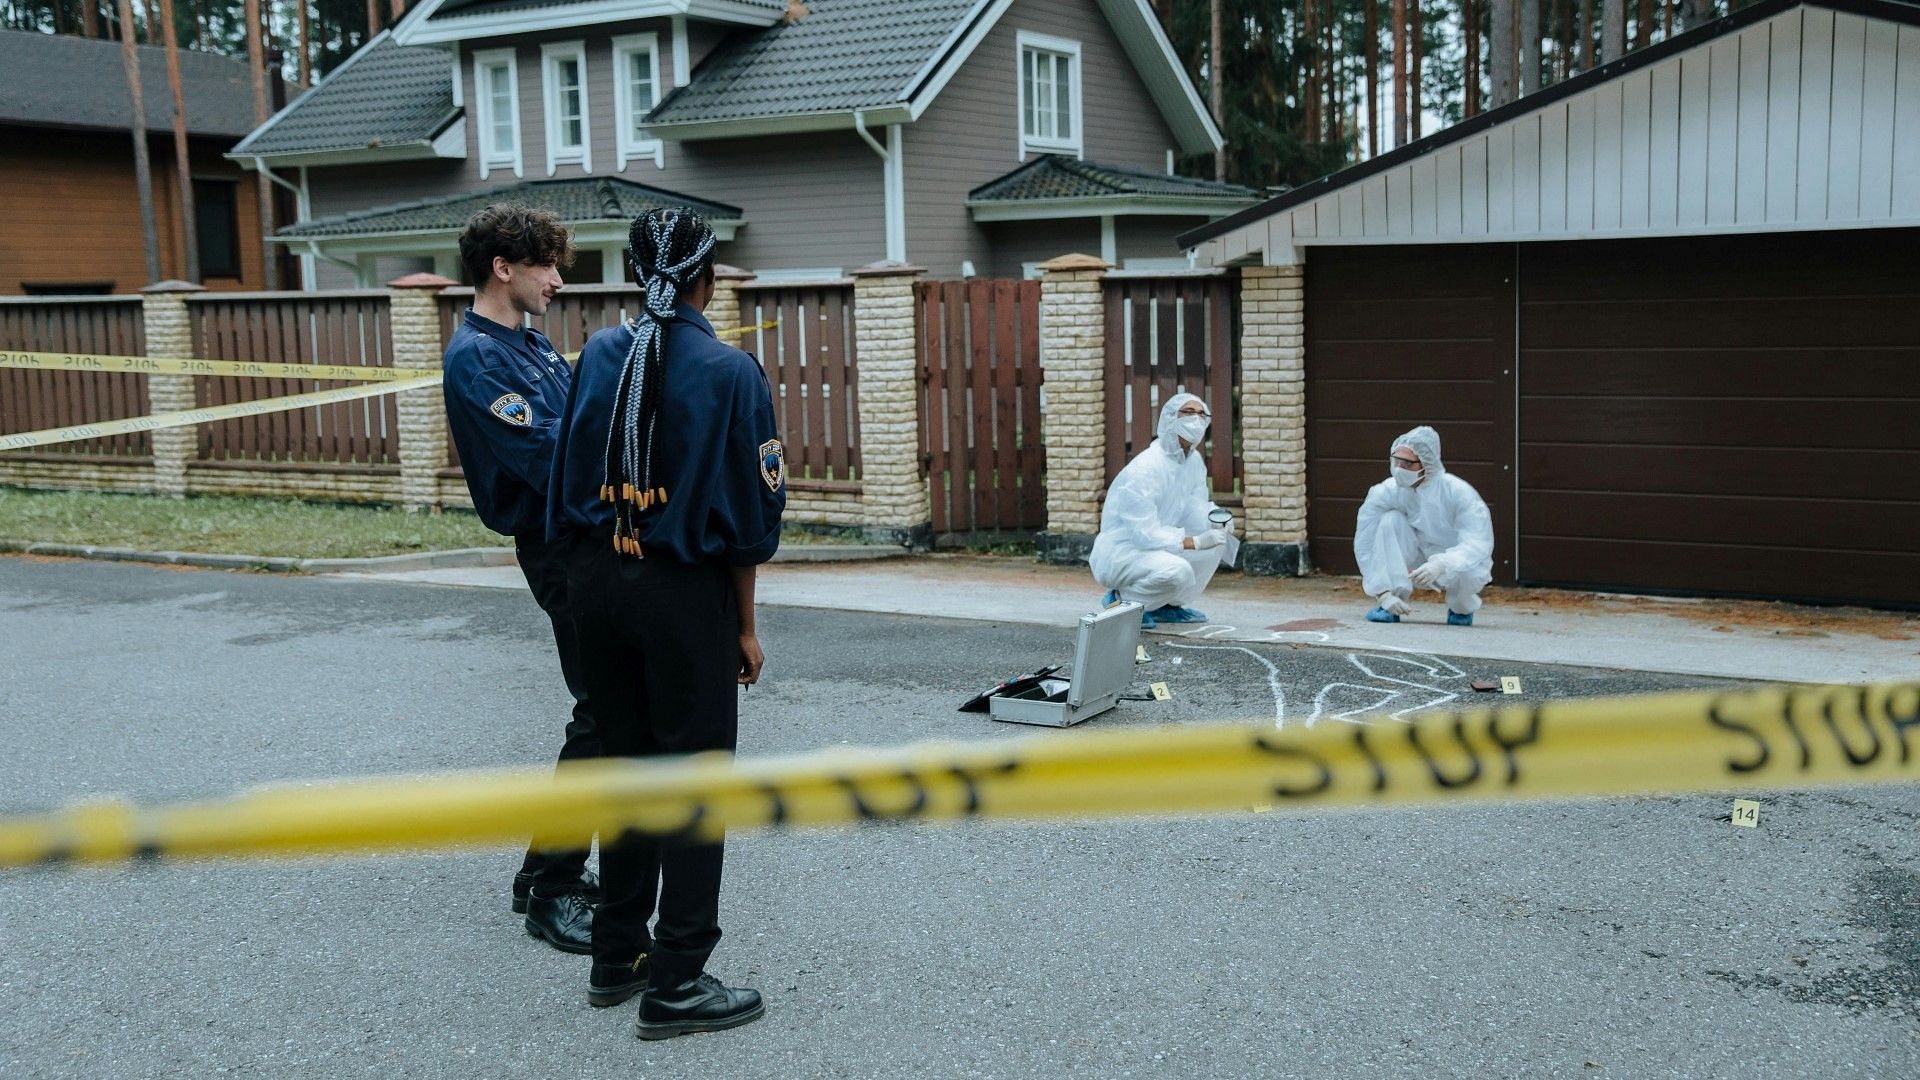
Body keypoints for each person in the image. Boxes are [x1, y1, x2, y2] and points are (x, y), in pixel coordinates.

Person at [547, 207, 785, 1039]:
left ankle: (617, 952)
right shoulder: (729, 371)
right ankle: (678, 978)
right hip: (682, 594)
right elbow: (750, 518)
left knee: (625, 767)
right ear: (708, 280)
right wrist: (745, 627)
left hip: (596, 581)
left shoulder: (601, 352)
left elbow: (565, 477)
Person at [442, 204, 601, 954]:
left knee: (606, 708)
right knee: (603, 711)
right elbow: (552, 456)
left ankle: (540, 873)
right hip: (558, 547)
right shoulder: (478, 358)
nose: (558, 280)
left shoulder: (529, 345)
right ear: (504, 268)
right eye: (546, 266)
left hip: (582, 541)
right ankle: (556, 892)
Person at [1089, 392, 1233, 627]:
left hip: (1158, 545)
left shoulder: (1192, 461)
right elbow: (1143, 533)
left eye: (1201, 414)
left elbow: (1196, 506)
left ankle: (1167, 605)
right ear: (1169, 419)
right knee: (1178, 571)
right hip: (1124, 551)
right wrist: (1195, 542)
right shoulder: (1146, 468)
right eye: (1187, 413)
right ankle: (1122, 602)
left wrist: (1217, 519)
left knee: (1217, 538)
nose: (1195, 420)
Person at [1353, 425, 1494, 626]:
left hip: (1453, 559)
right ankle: (1393, 601)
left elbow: (1477, 543)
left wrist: (1441, 564)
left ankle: (1461, 609)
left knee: (1467, 565)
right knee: (1389, 520)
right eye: (1396, 461)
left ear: (1427, 463)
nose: (1399, 469)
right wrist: (1382, 593)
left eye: (1408, 463)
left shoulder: (1458, 492)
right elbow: (1365, 539)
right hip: (1417, 556)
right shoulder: (1388, 491)